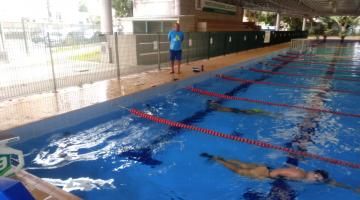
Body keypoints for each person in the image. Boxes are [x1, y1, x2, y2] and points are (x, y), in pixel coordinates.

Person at [200, 153, 360, 193]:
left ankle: (219, 157)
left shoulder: (307, 174)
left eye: (317, 179)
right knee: (238, 170)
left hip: (265, 168)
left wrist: (351, 188)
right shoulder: (301, 175)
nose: (314, 179)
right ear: (313, 173)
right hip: (264, 172)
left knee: (242, 164)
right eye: (316, 177)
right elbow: (281, 171)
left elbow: (329, 182)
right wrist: (267, 177)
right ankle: (217, 160)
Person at [207, 100, 277, 117]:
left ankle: (270, 114)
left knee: (258, 112)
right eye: (213, 103)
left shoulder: (219, 108)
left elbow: (217, 105)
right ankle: (270, 114)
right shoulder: (219, 108)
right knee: (258, 112)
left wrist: (212, 104)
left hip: (237, 110)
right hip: (239, 111)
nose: (215, 102)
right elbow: (217, 106)